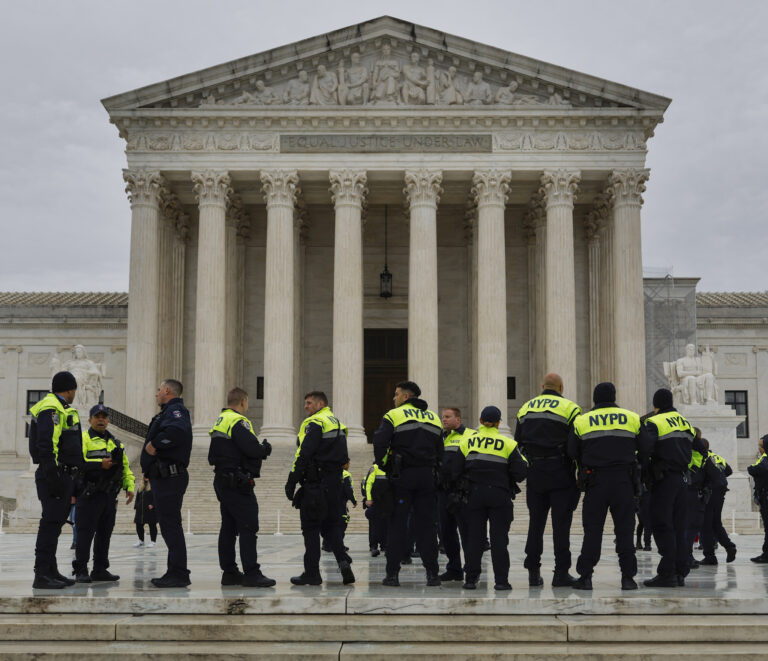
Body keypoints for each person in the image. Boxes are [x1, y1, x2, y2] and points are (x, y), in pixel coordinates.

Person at [567, 382, 641, 590]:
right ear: (614, 397)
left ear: (595, 398)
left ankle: (586, 576)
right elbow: (645, 447)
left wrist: (586, 460)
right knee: (625, 531)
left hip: (595, 481)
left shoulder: (583, 420)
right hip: (623, 481)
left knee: (593, 531)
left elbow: (571, 451)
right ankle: (628, 577)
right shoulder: (632, 418)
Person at [373, 381, 443, 587]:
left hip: (403, 476)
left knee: (397, 525)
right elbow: (441, 451)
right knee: (427, 527)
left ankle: (393, 575)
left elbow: (379, 444)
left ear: (405, 397)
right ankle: (432, 574)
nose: (393, 398)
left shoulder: (394, 415)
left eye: (396, 395)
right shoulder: (434, 418)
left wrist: (385, 466)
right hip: (427, 478)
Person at [515, 373, 581, 587]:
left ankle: (533, 572)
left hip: (536, 473)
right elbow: (574, 446)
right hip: (561, 472)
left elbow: (518, 443)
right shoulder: (571, 408)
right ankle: (561, 573)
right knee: (561, 525)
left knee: (536, 523)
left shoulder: (525, 408)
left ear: (542, 386)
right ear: (561, 387)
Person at [453, 406, 528, 590]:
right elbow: (520, 473)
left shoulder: (467, 442)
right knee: (499, 540)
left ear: (480, 421)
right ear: (498, 423)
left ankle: (471, 579)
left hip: (473, 495)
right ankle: (501, 581)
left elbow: (454, 470)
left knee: (474, 539)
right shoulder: (508, 444)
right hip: (499, 495)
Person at [284, 391, 354, 586]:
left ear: (320, 403)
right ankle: (343, 563)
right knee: (331, 527)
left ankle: (312, 573)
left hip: (315, 485)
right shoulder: (337, 423)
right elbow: (345, 458)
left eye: (309, 403)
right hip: (335, 484)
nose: (305, 406)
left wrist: (292, 480)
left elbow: (303, 454)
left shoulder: (315, 423)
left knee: (311, 528)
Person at [208, 387, 275, 587]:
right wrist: (265, 449)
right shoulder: (238, 421)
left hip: (223, 480)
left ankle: (229, 572)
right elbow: (252, 448)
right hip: (237, 482)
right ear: (243, 402)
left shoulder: (221, 420)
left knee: (228, 528)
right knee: (248, 526)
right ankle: (252, 573)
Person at [639, 388, 706, 587]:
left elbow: (644, 450)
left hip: (663, 481)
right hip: (683, 481)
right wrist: (691, 470)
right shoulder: (685, 423)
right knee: (679, 526)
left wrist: (645, 471)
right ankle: (680, 571)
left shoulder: (655, 422)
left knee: (661, 524)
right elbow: (703, 452)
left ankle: (667, 572)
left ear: (655, 405)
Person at [28, 371, 82, 589]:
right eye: (74, 391)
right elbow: (46, 444)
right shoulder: (51, 408)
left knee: (55, 524)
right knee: (50, 524)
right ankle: (41, 573)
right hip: (55, 474)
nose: (74, 394)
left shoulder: (59, 408)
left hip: (62, 473)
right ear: (69, 389)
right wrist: (54, 476)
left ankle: (51, 570)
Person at [72, 404, 135, 582]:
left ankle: (100, 569)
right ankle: (81, 570)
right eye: (97, 416)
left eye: (104, 417)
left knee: (104, 534)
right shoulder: (83, 439)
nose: (101, 420)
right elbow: (78, 463)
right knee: (85, 533)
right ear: (90, 419)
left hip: (109, 496)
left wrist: (129, 486)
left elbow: (125, 467)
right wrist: (100, 464)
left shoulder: (115, 442)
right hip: (89, 494)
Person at [140, 379, 193, 588]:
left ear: (168, 391)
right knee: (169, 526)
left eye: (159, 390)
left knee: (171, 526)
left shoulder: (176, 411)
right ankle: (174, 571)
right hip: (164, 477)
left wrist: (155, 444)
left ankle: (179, 573)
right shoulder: (167, 412)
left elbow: (177, 432)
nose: (156, 394)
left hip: (170, 477)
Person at [437, 407, 474, 582]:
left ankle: (471, 569)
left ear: (458, 420)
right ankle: (454, 568)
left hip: (462, 492)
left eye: (447, 417)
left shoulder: (470, 435)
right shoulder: (441, 437)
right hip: (443, 492)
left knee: (467, 532)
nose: (444, 420)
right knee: (446, 532)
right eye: (443, 417)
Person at [697, 439, 737, 564]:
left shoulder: (701, 457)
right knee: (715, 523)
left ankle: (710, 556)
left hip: (709, 492)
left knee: (705, 524)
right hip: (720, 492)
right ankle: (729, 546)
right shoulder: (716, 456)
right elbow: (729, 471)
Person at [747, 435, 768, 563]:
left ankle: (766, 555)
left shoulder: (765, 459)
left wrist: (751, 469)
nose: (759, 449)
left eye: (761, 446)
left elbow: (755, 469)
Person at [363, 461, 388, 556]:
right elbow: (368, 484)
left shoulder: (392, 466)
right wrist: (369, 499)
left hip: (387, 502)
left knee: (386, 525)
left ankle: (384, 545)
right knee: (374, 525)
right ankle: (373, 546)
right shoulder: (375, 468)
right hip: (376, 502)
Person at [134, 477, 157, 547]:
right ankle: (141, 540)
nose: (146, 478)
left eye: (147, 476)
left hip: (150, 510)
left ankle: (153, 541)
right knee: (138, 525)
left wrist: (153, 505)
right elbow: (137, 498)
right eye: (145, 477)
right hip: (140, 510)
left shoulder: (153, 486)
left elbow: (157, 496)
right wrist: (136, 506)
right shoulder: (141, 487)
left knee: (152, 525)